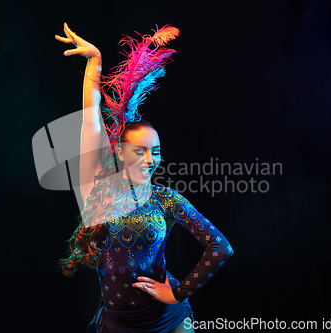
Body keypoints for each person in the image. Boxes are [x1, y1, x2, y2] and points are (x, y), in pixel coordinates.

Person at [55, 22, 234, 333]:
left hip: (169, 320)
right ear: (121, 153)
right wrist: (95, 61)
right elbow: (90, 120)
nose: (150, 160)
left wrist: (177, 293)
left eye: (156, 151)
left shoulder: (166, 199)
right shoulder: (96, 191)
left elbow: (220, 246)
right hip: (119, 325)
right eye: (140, 151)